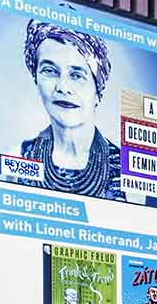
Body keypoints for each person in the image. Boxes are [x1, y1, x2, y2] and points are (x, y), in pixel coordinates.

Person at [18, 21, 123, 200]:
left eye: (76, 75)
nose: (63, 87)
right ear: (36, 79)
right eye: (50, 71)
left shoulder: (126, 169)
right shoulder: (19, 157)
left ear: (97, 90)